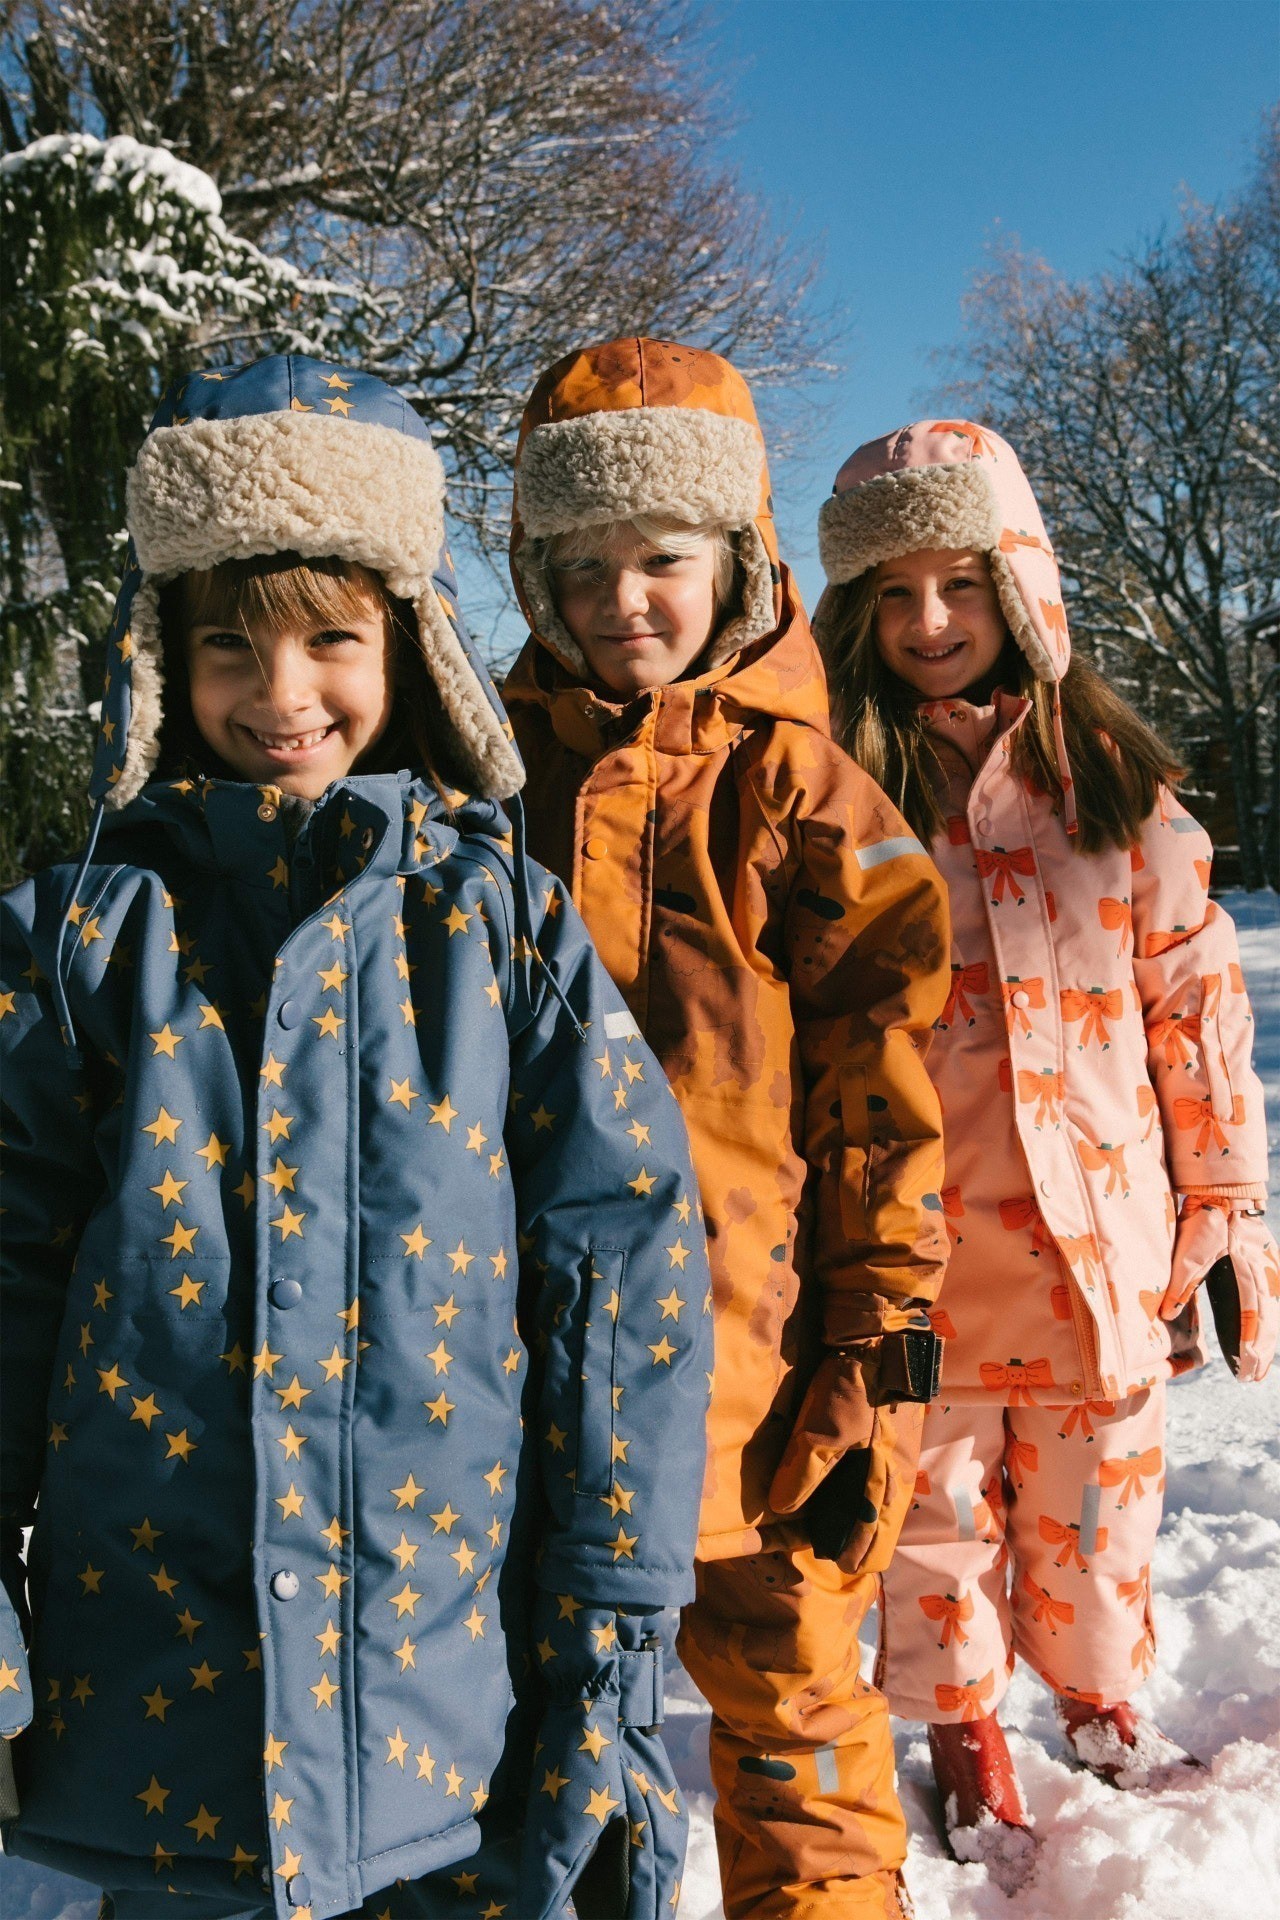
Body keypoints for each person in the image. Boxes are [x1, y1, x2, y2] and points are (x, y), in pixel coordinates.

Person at [0, 354, 714, 1920]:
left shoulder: (500, 927)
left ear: (412, 645)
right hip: (160, 1708)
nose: (282, 694)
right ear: (160, 659)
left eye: (331, 639)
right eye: (228, 645)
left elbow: (620, 1262)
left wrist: (615, 1598)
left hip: (445, 1693)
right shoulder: (79, 940)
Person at [502, 336, 953, 1920]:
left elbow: (884, 1100)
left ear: (737, 561)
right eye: (583, 564)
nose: (623, 598)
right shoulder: (491, 779)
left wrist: (879, 1345)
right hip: (527, 1359)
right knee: (543, 1724)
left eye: (662, 560)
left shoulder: (802, 796)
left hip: (757, 1368)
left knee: (793, 1704)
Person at [813, 417, 1278, 1887]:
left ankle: (1097, 1700)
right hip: (924, 1248)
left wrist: (1224, 1196)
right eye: (894, 592)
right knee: (937, 1511)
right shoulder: (840, 791)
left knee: (1098, 1504)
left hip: (1101, 1243)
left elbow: (1192, 1008)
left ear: (1020, 583)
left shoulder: (1114, 793)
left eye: (960, 582)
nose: (930, 621)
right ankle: (965, 1731)